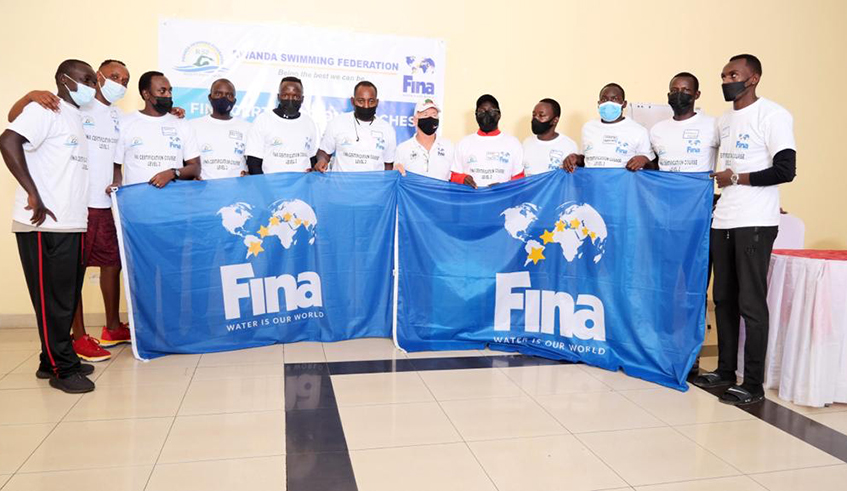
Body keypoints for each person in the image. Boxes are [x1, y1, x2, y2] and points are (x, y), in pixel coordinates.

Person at [6, 60, 135, 362]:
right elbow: (13, 126)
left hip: (98, 206)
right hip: (65, 209)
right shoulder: (58, 106)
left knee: (106, 266)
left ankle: (107, 329)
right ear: (98, 77)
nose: (119, 83)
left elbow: (118, 156)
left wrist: (117, 179)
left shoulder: (112, 116)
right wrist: (29, 96)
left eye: (125, 80)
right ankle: (74, 342)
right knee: (67, 280)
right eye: (113, 77)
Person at [693, 54, 797, 406]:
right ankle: (725, 370)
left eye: (733, 74)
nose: (727, 81)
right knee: (723, 298)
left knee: (751, 303)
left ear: (753, 78)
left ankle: (753, 383)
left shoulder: (773, 115)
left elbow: (785, 170)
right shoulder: (724, 120)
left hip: (755, 221)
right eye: (723, 76)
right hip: (724, 218)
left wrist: (737, 178)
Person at [0, 59, 97, 393]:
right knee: (52, 301)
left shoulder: (75, 115)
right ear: (64, 79)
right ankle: (62, 369)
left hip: (70, 222)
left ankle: (50, 359)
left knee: (64, 299)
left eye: (93, 81)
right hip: (44, 223)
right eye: (86, 79)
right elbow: (8, 140)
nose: (91, 86)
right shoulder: (45, 108)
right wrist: (32, 192)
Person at [111, 71, 200, 188]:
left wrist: (172, 173)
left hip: (173, 197)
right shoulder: (125, 123)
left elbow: (195, 168)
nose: (168, 95)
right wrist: (117, 184)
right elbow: (116, 166)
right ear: (146, 94)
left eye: (170, 91)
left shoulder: (182, 123)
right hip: (136, 197)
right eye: (162, 91)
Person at [565, 83, 654, 172]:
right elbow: (585, 159)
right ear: (599, 103)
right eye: (604, 99)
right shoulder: (588, 128)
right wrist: (575, 158)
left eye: (614, 99)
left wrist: (644, 160)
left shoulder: (638, 131)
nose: (608, 103)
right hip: (591, 180)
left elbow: (652, 166)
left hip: (621, 181)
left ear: (624, 104)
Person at [314, 81, 395, 172]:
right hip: (341, 182)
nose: (366, 106)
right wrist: (322, 161)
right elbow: (324, 152)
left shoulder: (387, 129)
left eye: (371, 101)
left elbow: (388, 165)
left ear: (377, 102)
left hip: (373, 182)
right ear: (352, 101)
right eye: (361, 101)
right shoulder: (337, 122)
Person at [246, 76, 318, 174]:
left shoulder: (308, 122)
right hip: (271, 183)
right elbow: (253, 162)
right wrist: (264, 183)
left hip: (302, 183)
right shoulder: (263, 120)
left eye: (296, 96)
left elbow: (312, 158)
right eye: (285, 95)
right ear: (278, 97)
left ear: (302, 99)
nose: (290, 99)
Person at [649, 72, 718, 172]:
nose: (679, 94)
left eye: (686, 90)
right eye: (674, 90)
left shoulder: (713, 125)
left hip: (699, 183)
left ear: (697, 94)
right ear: (668, 95)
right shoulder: (657, 129)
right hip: (666, 182)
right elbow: (654, 164)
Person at [451, 94, 523, 188]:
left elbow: (519, 178)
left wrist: (504, 187)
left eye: (491, 110)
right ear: (476, 115)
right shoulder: (464, 143)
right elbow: (454, 176)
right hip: (472, 197)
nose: (486, 113)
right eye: (481, 111)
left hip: (503, 197)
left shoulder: (513, 143)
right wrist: (463, 179)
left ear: (499, 115)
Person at [191, 78, 249, 179]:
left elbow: (255, 162)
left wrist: (250, 175)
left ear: (234, 101)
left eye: (229, 95)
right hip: (203, 187)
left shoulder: (248, 128)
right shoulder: (193, 125)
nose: (223, 98)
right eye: (218, 94)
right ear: (210, 97)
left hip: (237, 187)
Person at [394, 99, 453, 180]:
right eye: (425, 115)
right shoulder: (402, 149)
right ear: (415, 120)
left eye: (434, 115)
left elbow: (455, 177)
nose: (430, 118)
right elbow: (397, 179)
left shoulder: (449, 146)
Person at [522, 98, 578, 176]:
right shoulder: (526, 143)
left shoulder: (568, 145)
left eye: (541, 115)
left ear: (555, 120)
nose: (535, 119)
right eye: (534, 115)